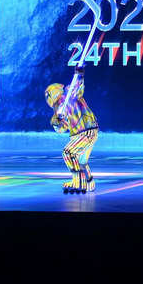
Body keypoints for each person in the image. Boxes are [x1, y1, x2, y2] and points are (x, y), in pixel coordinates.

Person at [45, 66, 98, 194]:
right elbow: (62, 129)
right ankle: (89, 184)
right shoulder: (58, 112)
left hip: (86, 130)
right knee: (81, 160)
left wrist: (79, 75)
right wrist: (57, 122)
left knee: (68, 153)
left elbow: (78, 88)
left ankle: (78, 182)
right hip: (81, 134)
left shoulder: (70, 94)